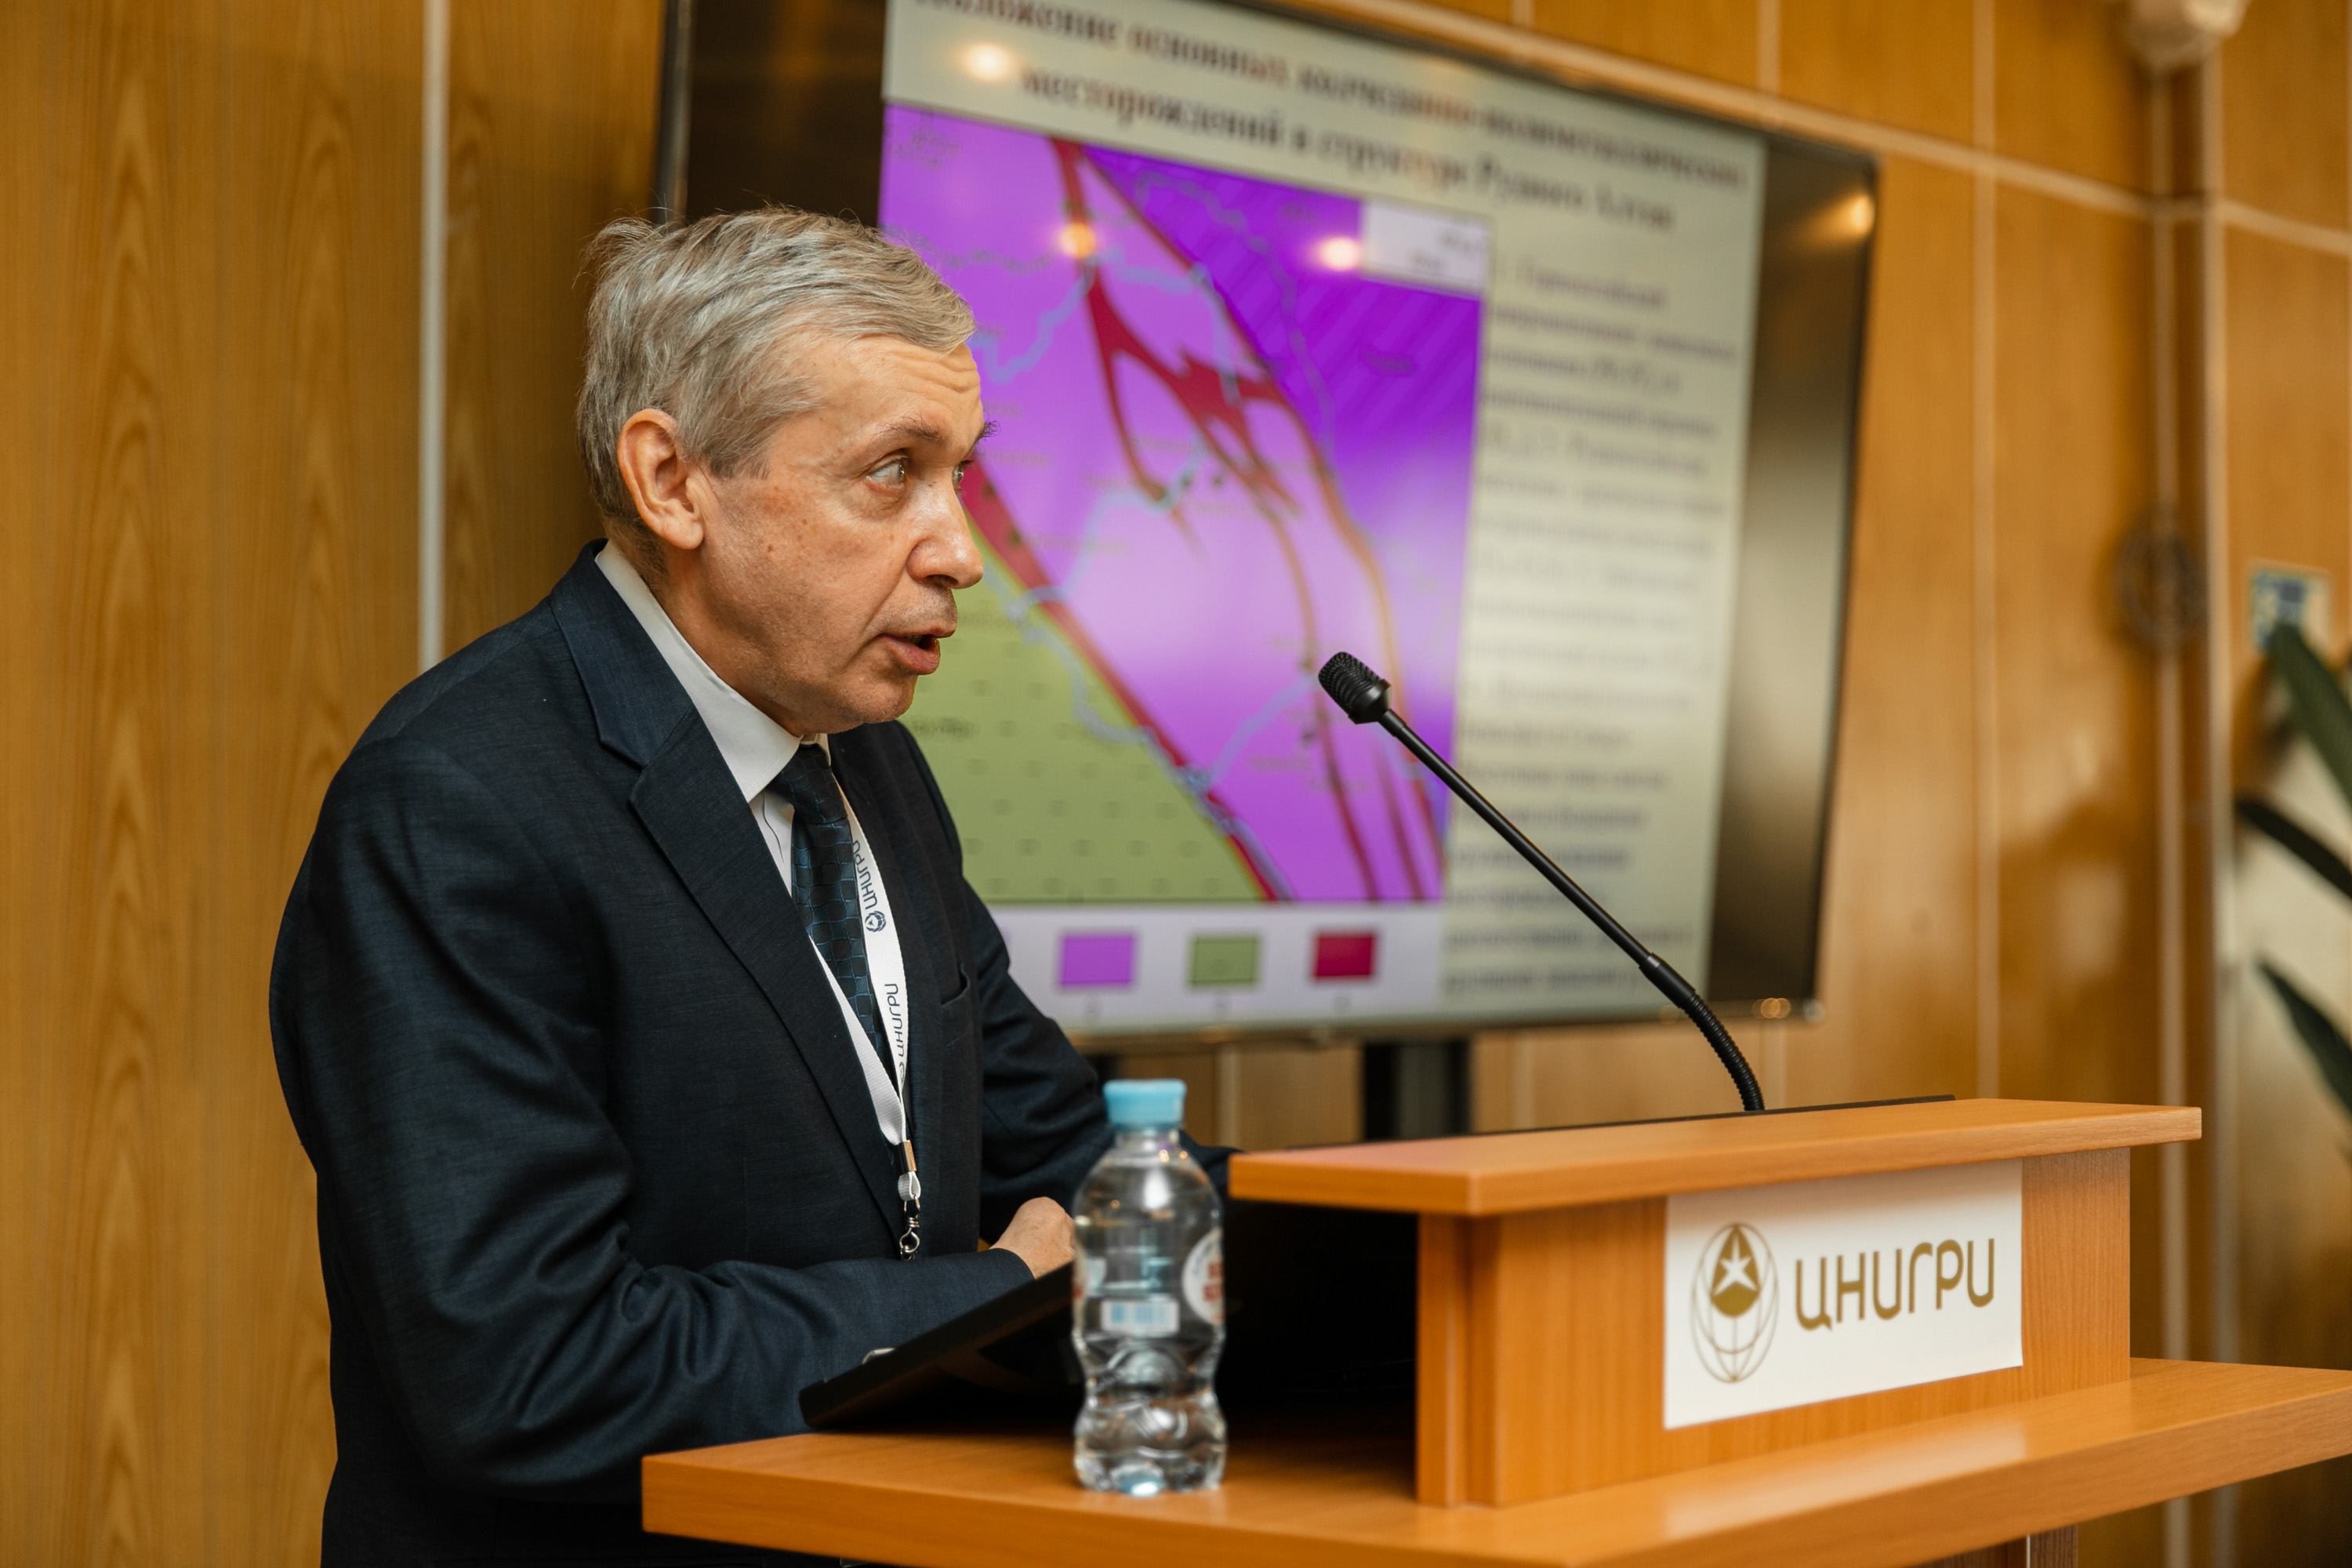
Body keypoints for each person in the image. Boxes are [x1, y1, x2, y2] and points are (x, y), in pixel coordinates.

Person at [270, 209, 1135, 1565]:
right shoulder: (458, 801)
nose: (961, 551)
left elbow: (1060, 1150)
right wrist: (992, 1295)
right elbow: (528, 1371)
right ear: (674, 482)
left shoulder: (867, 762)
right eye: (892, 473)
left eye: (959, 474)